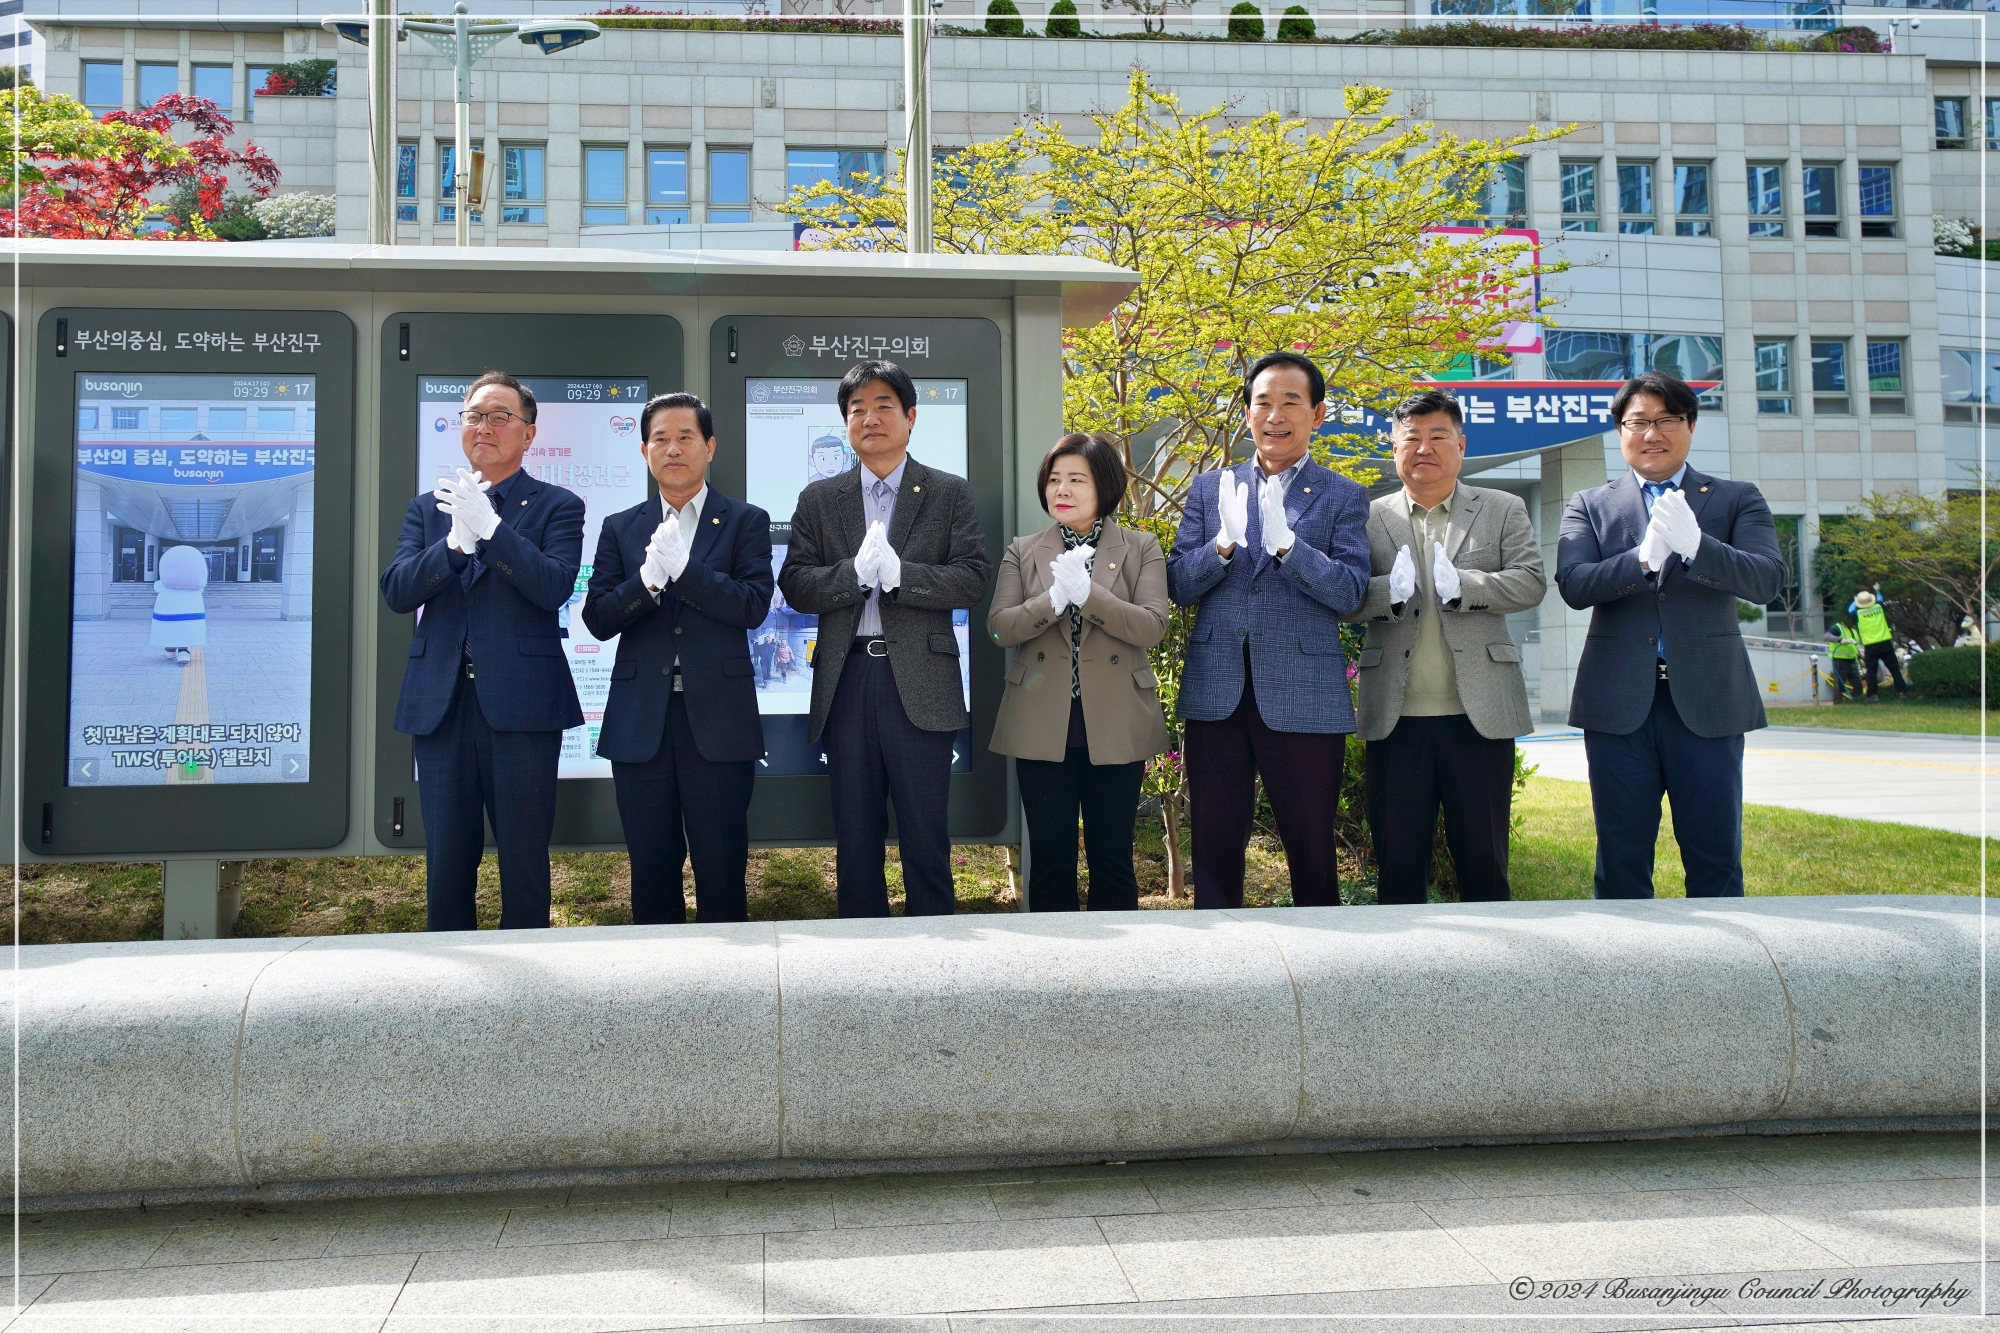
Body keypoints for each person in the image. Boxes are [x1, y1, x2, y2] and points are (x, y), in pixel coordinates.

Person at [778, 360, 993, 918]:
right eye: (856, 410)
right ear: (846, 423)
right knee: (854, 835)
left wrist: (904, 577)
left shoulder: (947, 492)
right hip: (847, 678)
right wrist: (852, 574)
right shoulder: (821, 499)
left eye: (883, 406)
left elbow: (973, 577)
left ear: (911, 416)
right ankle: (861, 959)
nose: (869, 419)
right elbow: (796, 584)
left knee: (926, 834)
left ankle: (935, 953)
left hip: (920, 682)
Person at [1557, 370, 1784, 899]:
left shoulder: (1735, 498)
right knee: (1620, 854)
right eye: (1638, 421)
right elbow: (1574, 584)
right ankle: (1623, 971)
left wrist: (1698, 546)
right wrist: (1640, 560)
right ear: (1620, 431)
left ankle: (1723, 970)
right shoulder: (1589, 504)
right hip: (1618, 701)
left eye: (1666, 420)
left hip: (1708, 700)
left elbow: (1767, 579)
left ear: (1690, 425)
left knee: (1715, 854)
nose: (1651, 433)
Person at [1166, 352, 1371, 909]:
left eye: (1290, 402)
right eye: (1263, 402)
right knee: (1214, 844)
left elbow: (1350, 592)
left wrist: (1289, 547)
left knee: (1310, 846)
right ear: (1248, 411)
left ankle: (1319, 961)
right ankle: (1218, 959)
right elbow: (1180, 585)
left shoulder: (1344, 495)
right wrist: (1222, 546)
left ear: (1318, 413)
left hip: (1304, 694)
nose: (1274, 415)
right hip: (1218, 691)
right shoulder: (1212, 489)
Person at [382, 371, 585, 930]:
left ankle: (527, 979)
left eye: (500, 416)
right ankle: (449, 976)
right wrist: (452, 544)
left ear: (529, 433)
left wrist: (491, 528)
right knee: (446, 855)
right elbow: (398, 590)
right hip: (441, 705)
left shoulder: (557, 506)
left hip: (521, 705)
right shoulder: (429, 508)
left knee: (524, 856)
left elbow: (553, 586)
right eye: (474, 415)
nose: (484, 427)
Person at [1344, 390, 1546, 905]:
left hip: (1477, 716)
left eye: (1438, 436)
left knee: (1483, 862)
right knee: (1397, 864)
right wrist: (1384, 592)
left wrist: (1468, 586)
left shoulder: (1502, 508)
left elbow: (1530, 582)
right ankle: (1403, 971)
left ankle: (1491, 973)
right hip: (1396, 717)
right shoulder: (1367, 517)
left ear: (1461, 444)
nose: (1424, 448)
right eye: (1411, 438)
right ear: (1394, 448)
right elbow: (1343, 598)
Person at [583, 391, 773, 925]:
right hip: (641, 720)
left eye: (685, 437)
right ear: (645, 451)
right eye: (660, 439)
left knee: (721, 865)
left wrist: (685, 571)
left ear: (710, 447)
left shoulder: (744, 521)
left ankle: (728, 987)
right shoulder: (621, 526)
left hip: (718, 718)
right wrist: (646, 582)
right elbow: (597, 619)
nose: (673, 448)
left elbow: (753, 606)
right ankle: (658, 990)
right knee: (650, 866)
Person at [988, 432, 1170, 912]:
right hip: (1042, 722)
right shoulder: (1023, 550)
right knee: (1049, 859)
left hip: (1115, 720)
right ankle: (1053, 970)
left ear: (1104, 486)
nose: (1061, 490)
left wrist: (1091, 597)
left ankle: (1116, 973)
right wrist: (1051, 600)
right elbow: (1000, 628)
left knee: (1112, 859)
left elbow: (1153, 626)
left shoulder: (1140, 547)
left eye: (1075, 479)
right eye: (1053, 480)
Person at [1851, 589, 1908, 701]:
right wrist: (1877, 590)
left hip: (1870, 646)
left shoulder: (1857, 613)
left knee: (1871, 671)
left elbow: (1850, 609)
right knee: (1894, 669)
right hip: (1885, 643)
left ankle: (1873, 695)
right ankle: (1902, 692)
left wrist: (1855, 599)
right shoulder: (1878, 607)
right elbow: (1880, 598)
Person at [1823, 619, 1862, 702]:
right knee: (1839, 685)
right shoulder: (1838, 627)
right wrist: (1839, 639)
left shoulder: (1853, 630)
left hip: (1852, 660)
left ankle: (1855, 701)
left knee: (1858, 685)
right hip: (1840, 660)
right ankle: (1838, 702)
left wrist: (1859, 656)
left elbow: (1854, 645)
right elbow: (1826, 636)